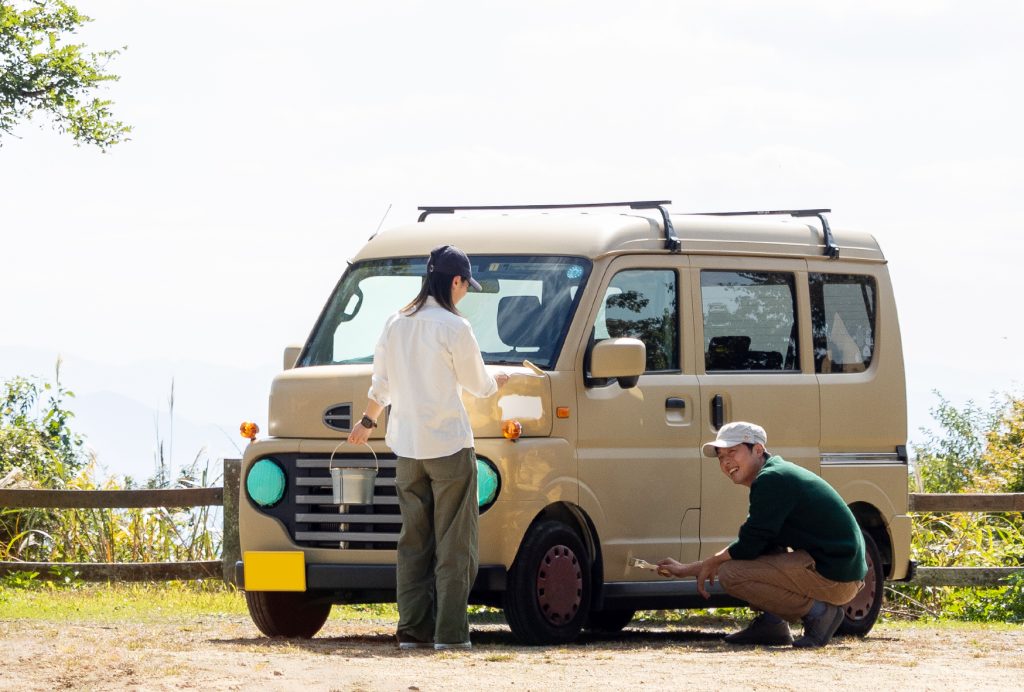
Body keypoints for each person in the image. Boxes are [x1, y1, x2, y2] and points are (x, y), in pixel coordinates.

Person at [348, 244, 509, 651]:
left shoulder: (395, 323)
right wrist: (499, 381)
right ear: (454, 281)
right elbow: (478, 384)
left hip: (406, 449)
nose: (465, 293)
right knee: (455, 545)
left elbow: (380, 385)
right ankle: (451, 635)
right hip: (450, 447)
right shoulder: (455, 328)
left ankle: (412, 632)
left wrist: (367, 422)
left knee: (413, 543)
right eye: (465, 286)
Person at [657, 422, 867, 648]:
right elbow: (757, 544)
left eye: (732, 452)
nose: (726, 462)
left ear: (758, 450)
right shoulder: (775, 475)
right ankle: (772, 624)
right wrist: (690, 568)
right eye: (720, 457)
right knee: (758, 553)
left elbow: (747, 545)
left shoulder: (772, 478)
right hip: (839, 573)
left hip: (836, 577)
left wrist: (692, 568)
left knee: (731, 574)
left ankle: (820, 613)